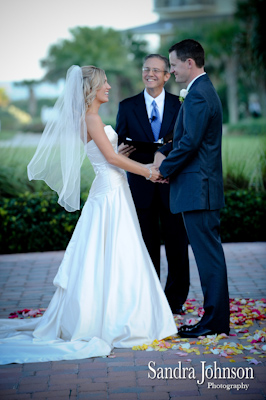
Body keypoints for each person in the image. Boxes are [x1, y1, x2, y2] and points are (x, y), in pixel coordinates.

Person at [0, 65, 177, 365]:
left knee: (111, 253)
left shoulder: (89, 118)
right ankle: (114, 319)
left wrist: (122, 152)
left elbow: (108, 153)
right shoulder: (91, 117)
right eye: (104, 83)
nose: (109, 86)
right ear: (91, 89)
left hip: (111, 187)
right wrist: (149, 171)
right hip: (109, 191)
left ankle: (116, 312)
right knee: (115, 252)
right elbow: (109, 158)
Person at [154, 40, 230, 338]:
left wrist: (163, 169)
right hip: (199, 188)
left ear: (189, 63)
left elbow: (190, 144)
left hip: (198, 190)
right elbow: (185, 140)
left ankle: (213, 323)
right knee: (209, 256)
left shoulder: (198, 95)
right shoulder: (201, 91)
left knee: (208, 257)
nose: (170, 71)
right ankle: (215, 319)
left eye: (172, 64)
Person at [116, 54, 189, 315]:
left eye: (156, 70)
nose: (150, 74)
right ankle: (149, 298)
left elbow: (184, 142)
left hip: (173, 182)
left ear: (166, 76)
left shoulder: (181, 105)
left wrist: (165, 164)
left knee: (177, 243)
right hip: (141, 185)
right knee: (146, 244)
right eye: (146, 69)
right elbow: (120, 146)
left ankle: (175, 300)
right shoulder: (127, 106)